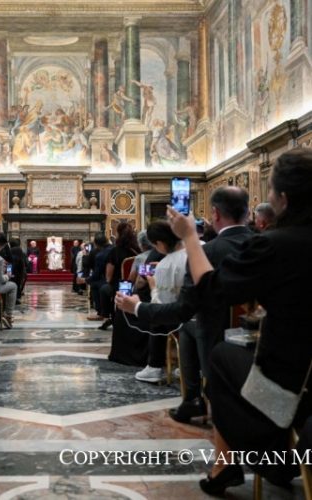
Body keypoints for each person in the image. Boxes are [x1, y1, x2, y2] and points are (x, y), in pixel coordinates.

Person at [166, 148, 312, 494]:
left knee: (220, 356)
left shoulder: (276, 245)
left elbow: (213, 290)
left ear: (284, 198)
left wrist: (190, 237)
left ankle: (237, 461)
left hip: (288, 390)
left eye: (270, 190)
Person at [116, 187, 253, 420]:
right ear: (248, 213)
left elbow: (182, 309)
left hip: (217, 337)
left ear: (215, 214)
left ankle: (192, 397)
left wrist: (137, 307)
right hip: (263, 339)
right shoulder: (265, 243)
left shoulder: (203, 252)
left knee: (188, 325)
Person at [133, 221, 187, 383]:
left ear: (160, 244)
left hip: (182, 318)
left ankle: (154, 366)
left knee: (156, 318)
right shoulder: (200, 249)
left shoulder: (163, 265)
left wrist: (153, 286)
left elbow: (161, 305)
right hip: (205, 314)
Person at [0, 232, 17, 329]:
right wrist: (8, 275)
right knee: (13, 286)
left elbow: (8, 261)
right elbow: (0, 279)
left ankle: (4, 313)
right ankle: (8, 314)